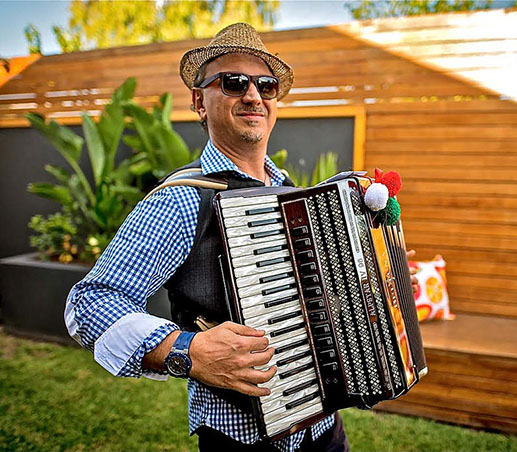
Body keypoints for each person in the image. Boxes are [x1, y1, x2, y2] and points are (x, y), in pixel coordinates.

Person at [65, 23, 349, 452]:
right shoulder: (183, 198)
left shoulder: (293, 193)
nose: (253, 95)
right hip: (242, 441)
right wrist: (188, 350)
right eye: (234, 82)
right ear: (200, 100)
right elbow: (89, 303)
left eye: (266, 86)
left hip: (326, 428)